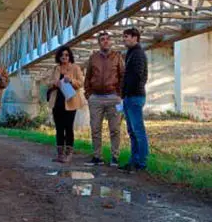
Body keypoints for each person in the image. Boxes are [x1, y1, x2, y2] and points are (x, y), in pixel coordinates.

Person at [83, 31, 125, 166]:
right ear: (99, 43)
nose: (105, 41)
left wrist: (120, 95)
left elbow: (123, 76)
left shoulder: (117, 57)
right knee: (95, 128)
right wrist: (89, 95)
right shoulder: (93, 58)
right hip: (96, 98)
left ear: (110, 41)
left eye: (107, 39)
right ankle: (97, 157)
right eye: (102, 39)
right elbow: (87, 77)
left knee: (115, 129)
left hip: (113, 97)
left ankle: (115, 157)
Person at [46, 45, 85, 163]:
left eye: (67, 55)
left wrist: (71, 81)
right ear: (59, 56)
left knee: (68, 128)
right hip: (57, 102)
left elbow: (81, 83)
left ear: (70, 56)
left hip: (70, 102)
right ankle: (60, 155)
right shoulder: (56, 69)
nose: (64, 57)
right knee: (59, 128)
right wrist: (54, 83)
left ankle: (68, 155)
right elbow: (48, 82)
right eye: (62, 55)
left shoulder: (75, 68)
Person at [119, 27, 149, 173]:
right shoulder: (131, 53)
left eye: (127, 36)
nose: (124, 39)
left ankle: (141, 163)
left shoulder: (137, 54)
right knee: (132, 131)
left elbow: (138, 76)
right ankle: (134, 161)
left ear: (135, 37)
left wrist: (127, 91)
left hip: (134, 97)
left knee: (138, 131)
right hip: (130, 97)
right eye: (123, 36)